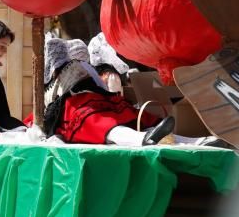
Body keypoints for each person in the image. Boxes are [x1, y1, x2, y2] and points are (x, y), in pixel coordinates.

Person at [42, 36, 176, 146]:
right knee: (95, 120)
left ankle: (157, 133)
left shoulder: (77, 68)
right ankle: (142, 138)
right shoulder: (66, 73)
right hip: (74, 108)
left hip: (86, 102)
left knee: (109, 115)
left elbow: (95, 88)